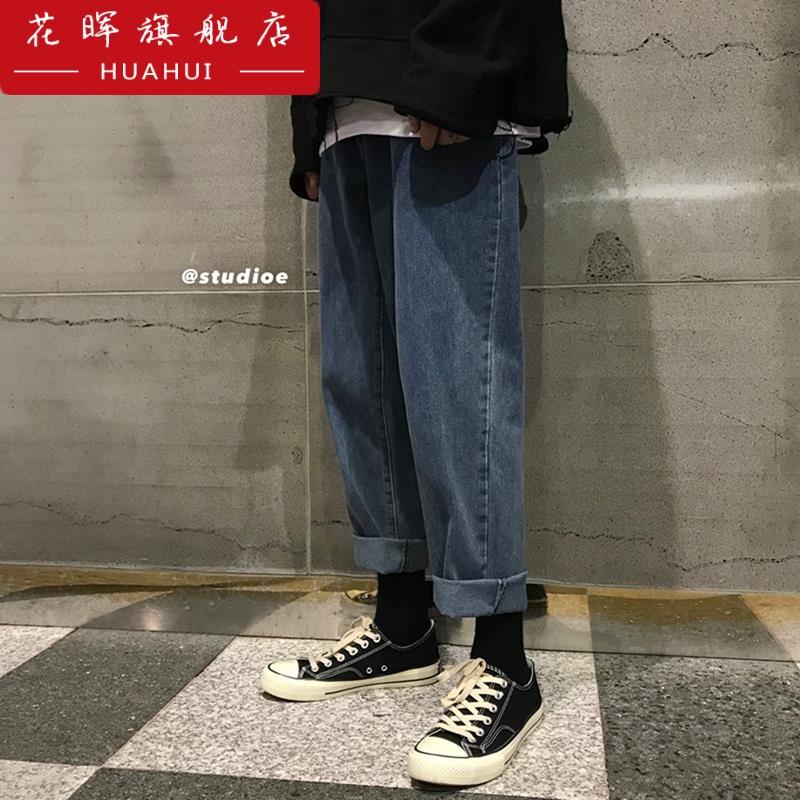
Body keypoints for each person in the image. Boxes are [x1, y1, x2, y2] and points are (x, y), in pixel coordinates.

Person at [261, 0, 570, 787]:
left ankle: (504, 659)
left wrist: (460, 69)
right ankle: (402, 625)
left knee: (456, 379)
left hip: (438, 89)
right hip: (345, 108)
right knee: (362, 379)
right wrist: (309, 124)